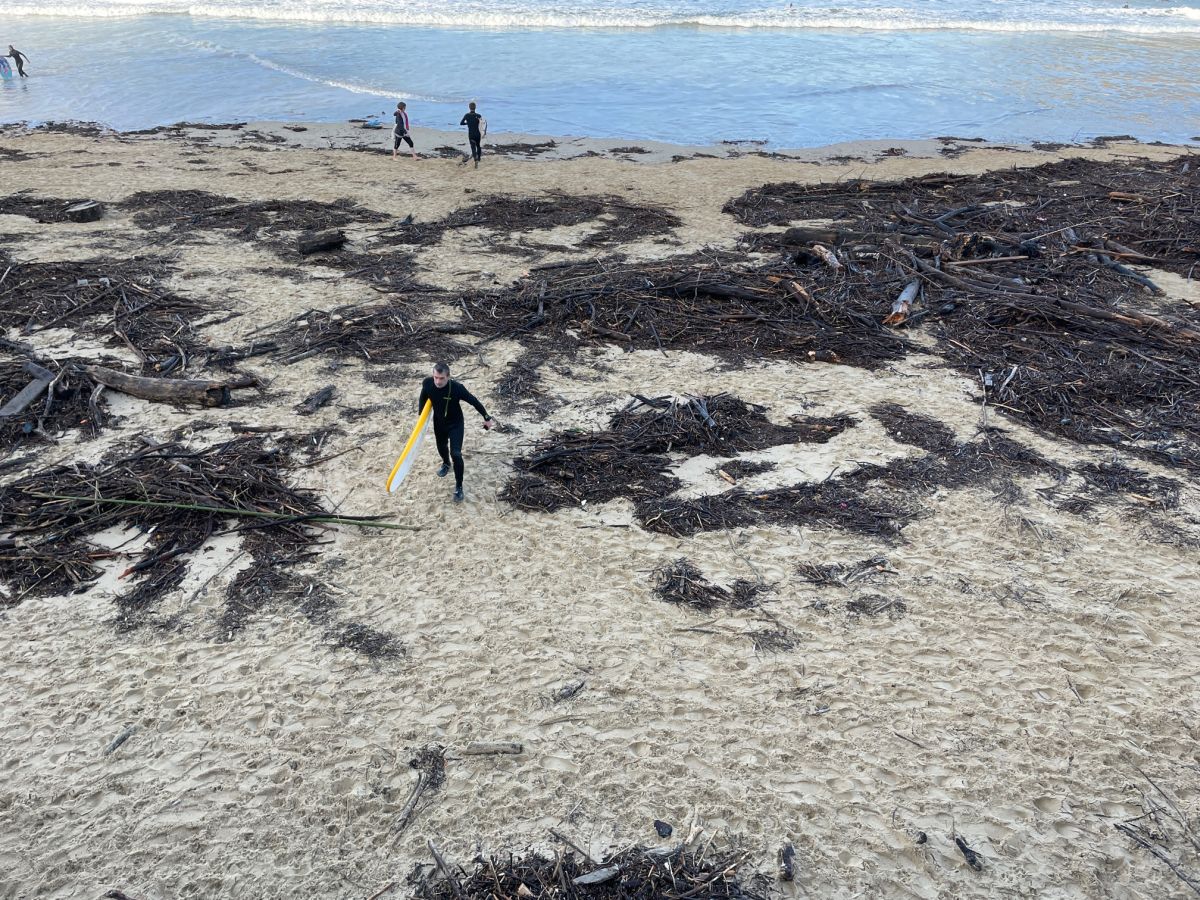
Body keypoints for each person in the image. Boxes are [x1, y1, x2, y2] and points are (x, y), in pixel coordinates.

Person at [417, 362, 495, 502]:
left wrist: (486, 417)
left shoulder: (457, 388)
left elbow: (473, 401)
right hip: (439, 423)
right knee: (441, 447)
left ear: (448, 376)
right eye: (435, 377)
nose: (438, 381)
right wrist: (420, 417)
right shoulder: (428, 383)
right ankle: (446, 464)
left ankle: (459, 487)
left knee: (456, 453)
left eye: (441, 378)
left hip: (455, 424)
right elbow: (423, 397)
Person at [459, 101, 486, 168]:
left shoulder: (467, 115)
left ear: (469, 107)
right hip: (478, 134)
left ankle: (475, 159)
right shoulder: (479, 116)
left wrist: (467, 123)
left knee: (473, 147)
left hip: (471, 134)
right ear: (475, 107)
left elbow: (461, 123)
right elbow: (482, 125)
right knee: (478, 146)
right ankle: (479, 158)